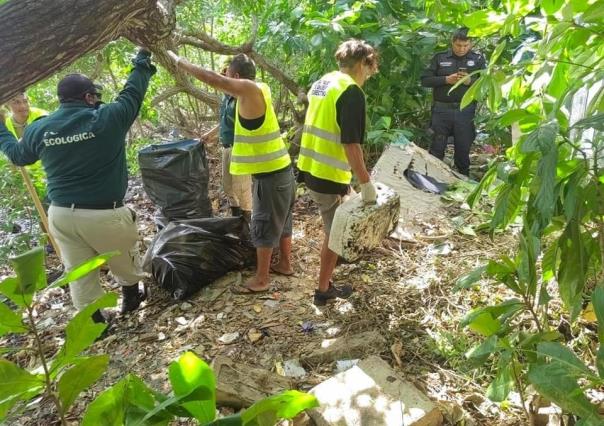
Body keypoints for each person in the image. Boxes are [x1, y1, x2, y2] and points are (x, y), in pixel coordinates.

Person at [0, 48, 156, 324]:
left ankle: (95, 324)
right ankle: (131, 298)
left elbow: (16, 154)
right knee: (126, 262)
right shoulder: (108, 117)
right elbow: (134, 90)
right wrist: (142, 58)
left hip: (61, 216)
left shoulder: (40, 128)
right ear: (88, 97)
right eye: (95, 96)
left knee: (79, 272)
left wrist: (0, 127)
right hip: (104, 215)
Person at [167, 51, 296, 294]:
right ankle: (285, 265)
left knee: (264, 224)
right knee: (283, 220)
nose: (224, 79)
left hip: (271, 175)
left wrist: (179, 61)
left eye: (228, 76)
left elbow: (214, 79)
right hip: (282, 170)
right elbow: (221, 81)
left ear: (236, 77)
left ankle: (261, 279)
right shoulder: (261, 88)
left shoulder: (246, 89)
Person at [297, 39, 378, 306]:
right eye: (371, 67)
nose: (371, 74)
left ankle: (335, 265)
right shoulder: (351, 92)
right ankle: (322, 290)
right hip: (327, 174)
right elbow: (350, 144)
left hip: (310, 167)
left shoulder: (323, 82)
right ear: (364, 64)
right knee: (334, 235)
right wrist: (366, 182)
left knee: (343, 220)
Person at [421, 28, 486, 176]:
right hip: (441, 111)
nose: (462, 49)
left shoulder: (478, 59)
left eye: (465, 45)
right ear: (452, 43)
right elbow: (425, 80)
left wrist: (470, 81)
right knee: (437, 147)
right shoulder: (440, 58)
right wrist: (445, 79)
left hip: (465, 111)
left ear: (471, 44)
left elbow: (486, 84)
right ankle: (431, 178)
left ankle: (463, 178)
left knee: (463, 148)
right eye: (458, 45)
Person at [217, 64, 253, 219]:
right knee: (228, 187)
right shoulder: (226, 99)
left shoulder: (240, 99)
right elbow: (224, 121)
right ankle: (236, 219)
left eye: (228, 77)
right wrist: (209, 135)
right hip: (226, 147)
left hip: (239, 148)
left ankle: (247, 224)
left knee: (242, 189)